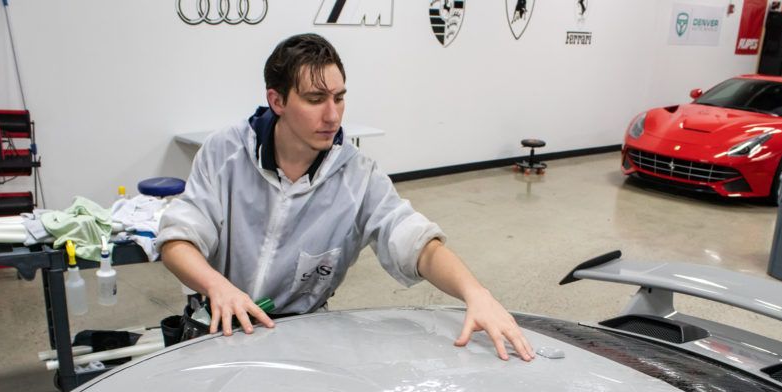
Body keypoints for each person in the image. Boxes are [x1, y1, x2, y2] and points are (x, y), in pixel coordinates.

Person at [156, 33, 533, 362]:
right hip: (218, 329)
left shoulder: (357, 176)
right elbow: (177, 241)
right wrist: (218, 287)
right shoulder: (226, 153)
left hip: (298, 335)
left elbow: (416, 243)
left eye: (339, 97)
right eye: (315, 98)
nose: (332, 115)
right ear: (278, 100)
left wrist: (476, 293)